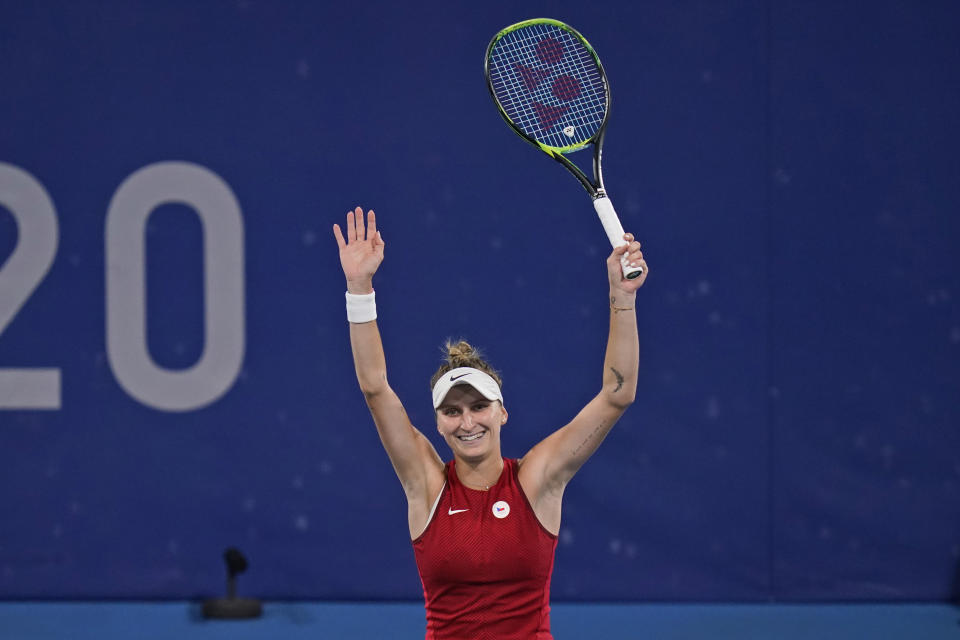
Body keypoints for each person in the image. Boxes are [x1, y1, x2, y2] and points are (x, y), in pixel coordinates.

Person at [333, 206, 648, 640]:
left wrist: (623, 299)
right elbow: (374, 387)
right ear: (438, 424)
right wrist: (359, 288)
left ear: (502, 412)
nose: (467, 422)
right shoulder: (425, 484)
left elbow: (618, 395)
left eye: (479, 407)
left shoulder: (539, 478)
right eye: (452, 411)